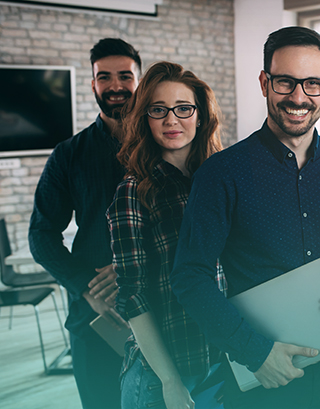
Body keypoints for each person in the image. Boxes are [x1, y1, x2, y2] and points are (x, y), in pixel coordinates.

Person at [169, 26, 320, 409]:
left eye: (312, 83)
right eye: (285, 82)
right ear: (265, 83)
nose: (299, 97)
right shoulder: (221, 173)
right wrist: (255, 352)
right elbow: (189, 276)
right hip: (260, 376)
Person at [29, 38, 141, 409]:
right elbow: (41, 235)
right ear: (93, 85)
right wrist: (86, 287)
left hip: (164, 303)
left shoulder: (167, 145)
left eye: (125, 76)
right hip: (98, 315)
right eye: (104, 77)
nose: (115, 86)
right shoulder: (68, 155)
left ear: (140, 82)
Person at [107, 61, 225, 409]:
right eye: (159, 110)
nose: (172, 120)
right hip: (163, 379)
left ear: (200, 115)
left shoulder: (219, 181)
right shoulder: (134, 191)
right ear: (145, 118)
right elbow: (133, 296)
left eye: (183, 108)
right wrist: (170, 381)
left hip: (221, 364)